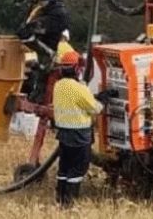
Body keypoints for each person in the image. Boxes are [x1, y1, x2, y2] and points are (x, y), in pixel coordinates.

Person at [52, 50, 110, 207]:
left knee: (64, 166)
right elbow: (95, 108)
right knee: (78, 168)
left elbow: (78, 101)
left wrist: (96, 96)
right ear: (77, 69)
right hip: (79, 135)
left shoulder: (59, 86)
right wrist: (104, 100)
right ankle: (70, 202)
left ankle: (60, 198)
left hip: (63, 134)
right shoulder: (79, 88)